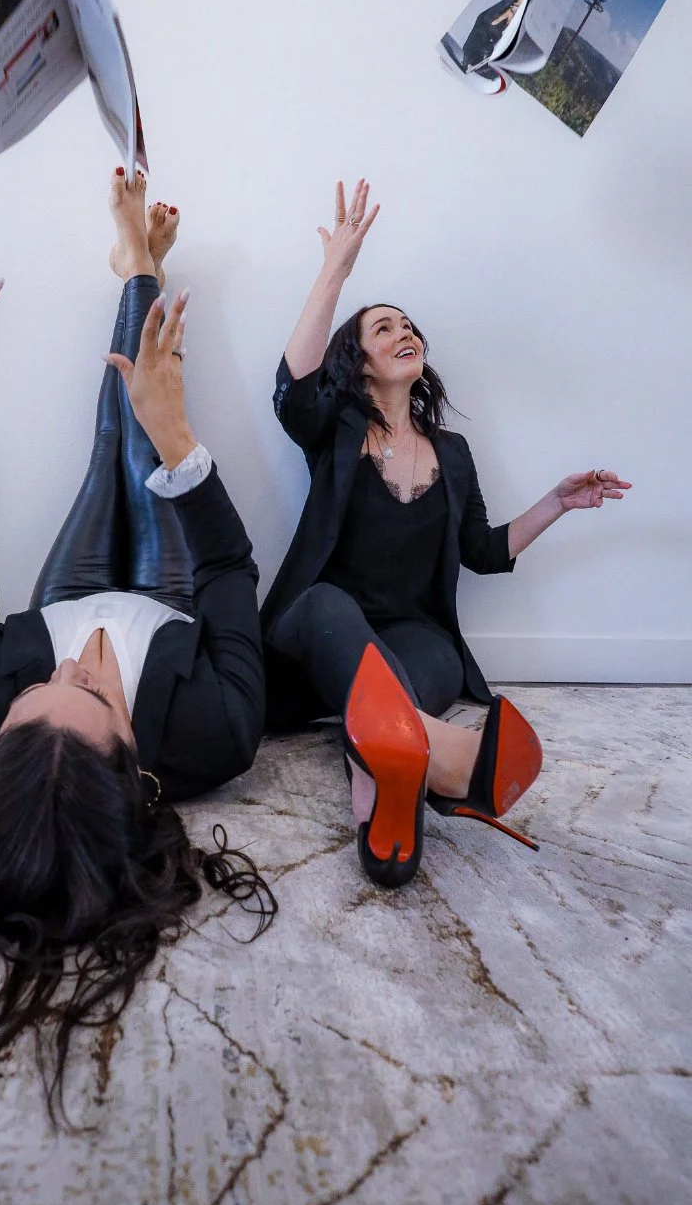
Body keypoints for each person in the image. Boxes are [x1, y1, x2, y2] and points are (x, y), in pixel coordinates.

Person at [0, 170, 275, 1117]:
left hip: (65, 593)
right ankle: (139, 266)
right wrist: (181, 443)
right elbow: (231, 573)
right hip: (172, 603)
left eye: (36, 691)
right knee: (146, 439)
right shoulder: (220, 736)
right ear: (141, 769)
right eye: (94, 695)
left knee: (110, 447)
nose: (77, 661)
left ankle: (137, 265)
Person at [263, 178, 631, 889]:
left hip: (417, 641)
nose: (404, 333)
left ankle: (391, 775)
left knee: (408, 686)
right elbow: (292, 389)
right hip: (322, 632)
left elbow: (483, 552)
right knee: (327, 607)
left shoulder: (453, 455)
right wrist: (336, 268)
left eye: (409, 326)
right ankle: (454, 757)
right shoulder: (336, 430)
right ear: (359, 362)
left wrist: (555, 503)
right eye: (383, 329)